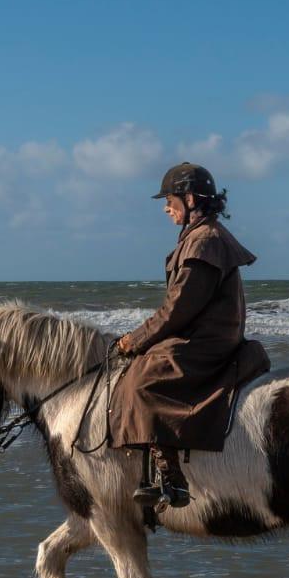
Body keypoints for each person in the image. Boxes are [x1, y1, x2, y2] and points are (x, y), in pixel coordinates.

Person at [111, 162, 271, 511]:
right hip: (207, 333)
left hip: (205, 341)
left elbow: (177, 309)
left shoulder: (205, 242)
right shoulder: (201, 237)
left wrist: (134, 340)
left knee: (142, 382)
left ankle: (171, 478)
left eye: (170, 200)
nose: (166, 208)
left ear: (190, 199)